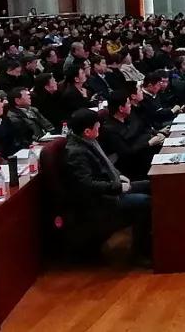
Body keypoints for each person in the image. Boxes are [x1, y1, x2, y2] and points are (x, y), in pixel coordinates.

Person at [63, 109, 152, 264]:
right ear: (87, 131)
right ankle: (140, 252)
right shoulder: (76, 152)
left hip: (112, 185)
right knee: (146, 202)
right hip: (103, 199)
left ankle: (158, 240)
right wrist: (116, 187)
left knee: (151, 185)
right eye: (97, 127)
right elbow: (87, 185)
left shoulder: (88, 140)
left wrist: (118, 175)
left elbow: (106, 165)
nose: (100, 129)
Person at [99, 90, 164, 180]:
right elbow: (126, 153)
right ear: (121, 108)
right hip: (132, 166)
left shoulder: (129, 117)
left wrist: (156, 133)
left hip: (145, 153)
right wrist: (149, 143)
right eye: (128, 103)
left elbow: (143, 128)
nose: (130, 106)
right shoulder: (109, 130)